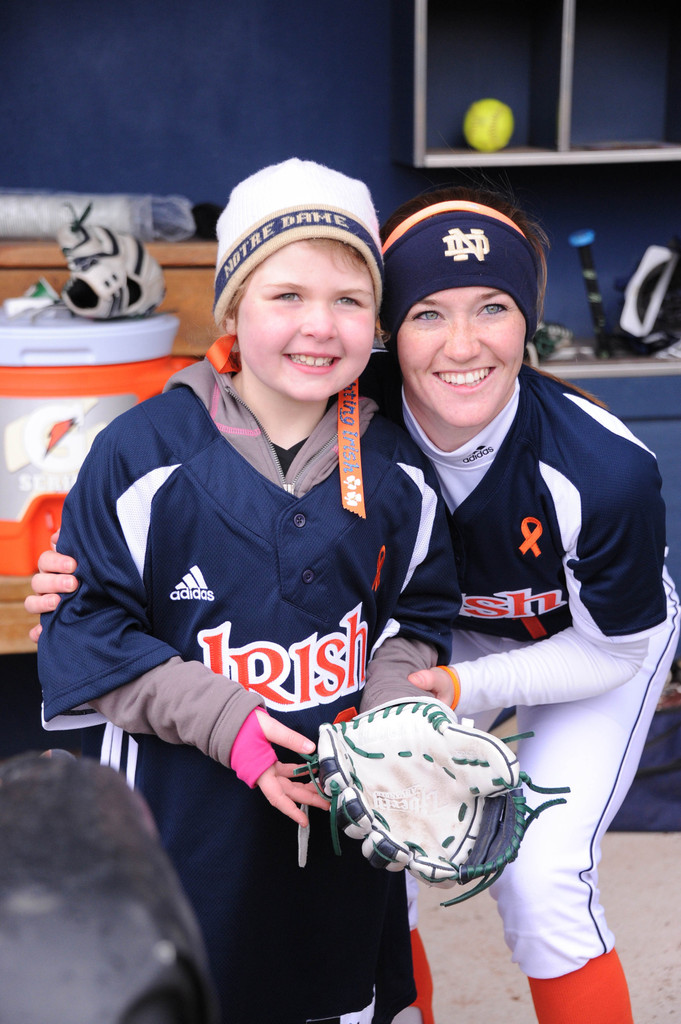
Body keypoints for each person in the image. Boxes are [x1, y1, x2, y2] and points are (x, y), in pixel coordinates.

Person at [28, 180, 680, 1024]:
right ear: (390, 332)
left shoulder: (603, 468)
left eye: (494, 307)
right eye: (425, 314)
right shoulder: (340, 390)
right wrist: (76, 568)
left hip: (584, 644)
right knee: (386, 849)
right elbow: (236, 383)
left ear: (529, 320)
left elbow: (616, 650)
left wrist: (447, 693)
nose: (460, 344)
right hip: (431, 639)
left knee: (543, 876)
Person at [31, 158, 460, 1024]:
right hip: (184, 824)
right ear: (231, 308)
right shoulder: (142, 453)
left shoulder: (397, 469)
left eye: (348, 300)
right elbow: (87, 637)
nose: (320, 325)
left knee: (337, 991)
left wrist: (388, 724)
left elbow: (416, 614)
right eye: (286, 296)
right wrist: (230, 722)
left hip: (341, 830)